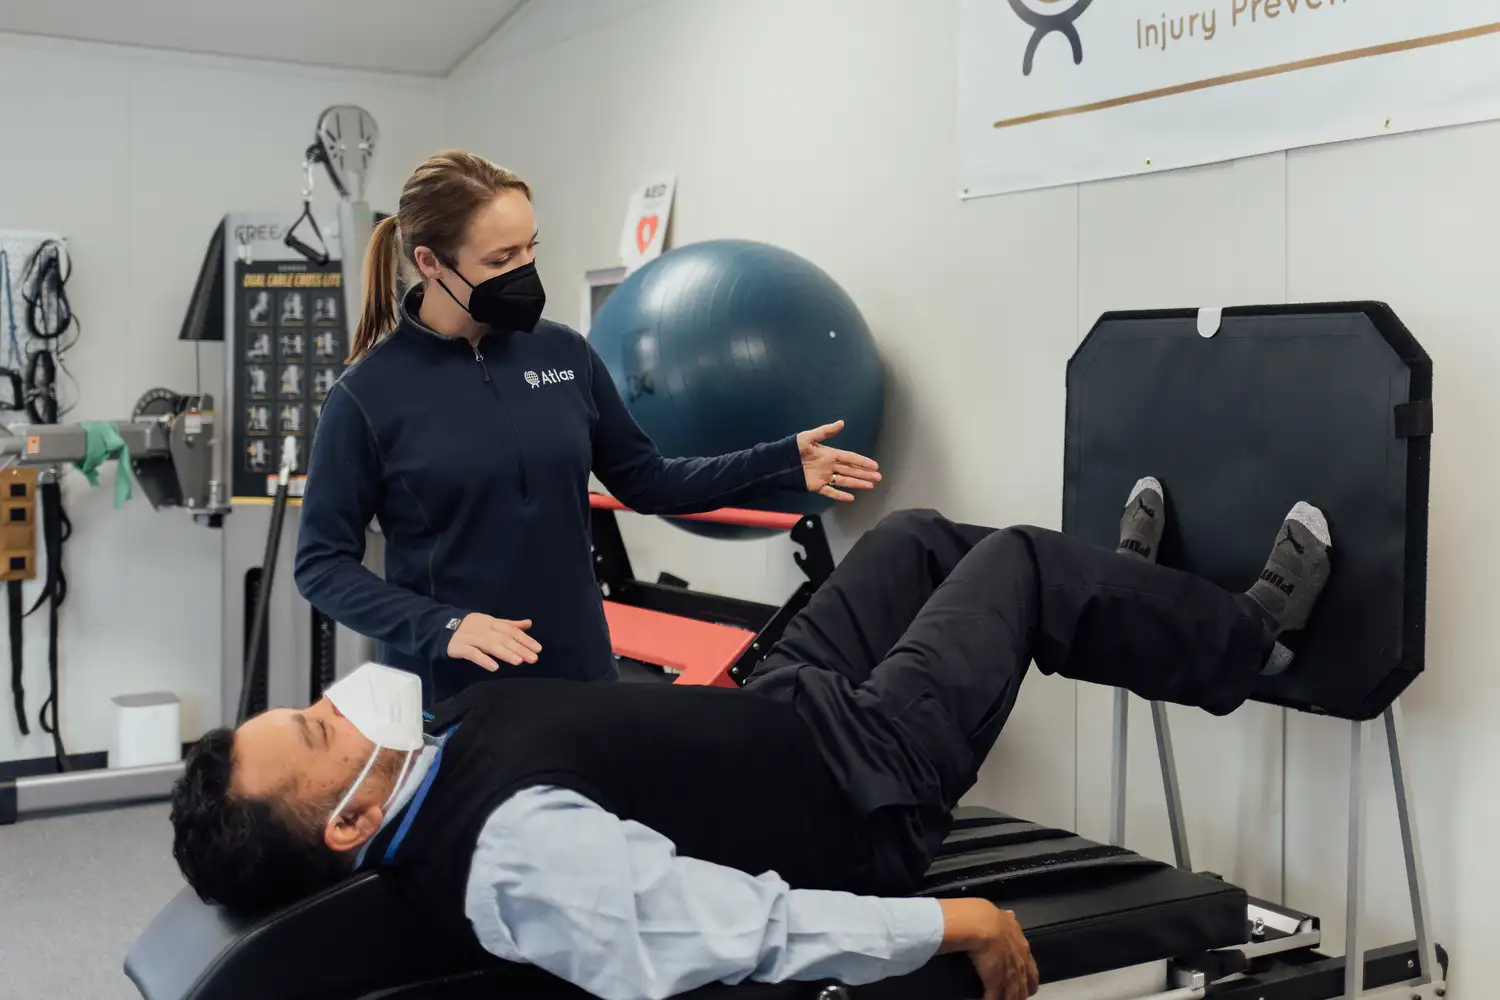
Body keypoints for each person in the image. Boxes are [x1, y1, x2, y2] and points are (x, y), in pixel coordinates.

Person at [172, 479, 1332, 1000]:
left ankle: (1126, 599)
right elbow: (752, 931)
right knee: (1019, 563)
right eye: (324, 728)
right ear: (348, 817)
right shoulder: (512, 862)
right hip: (860, 782)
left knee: (918, 538)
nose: (347, 708)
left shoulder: (426, 770)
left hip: (786, 705)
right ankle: (1249, 642)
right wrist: (959, 919)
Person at [294, 150, 882, 705]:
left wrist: (779, 462)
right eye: (500, 260)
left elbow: (647, 481)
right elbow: (322, 564)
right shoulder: (367, 395)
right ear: (430, 262)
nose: (523, 270)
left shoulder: (563, 352)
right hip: (451, 692)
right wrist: (441, 625)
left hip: (581, 676)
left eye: (530, 249)